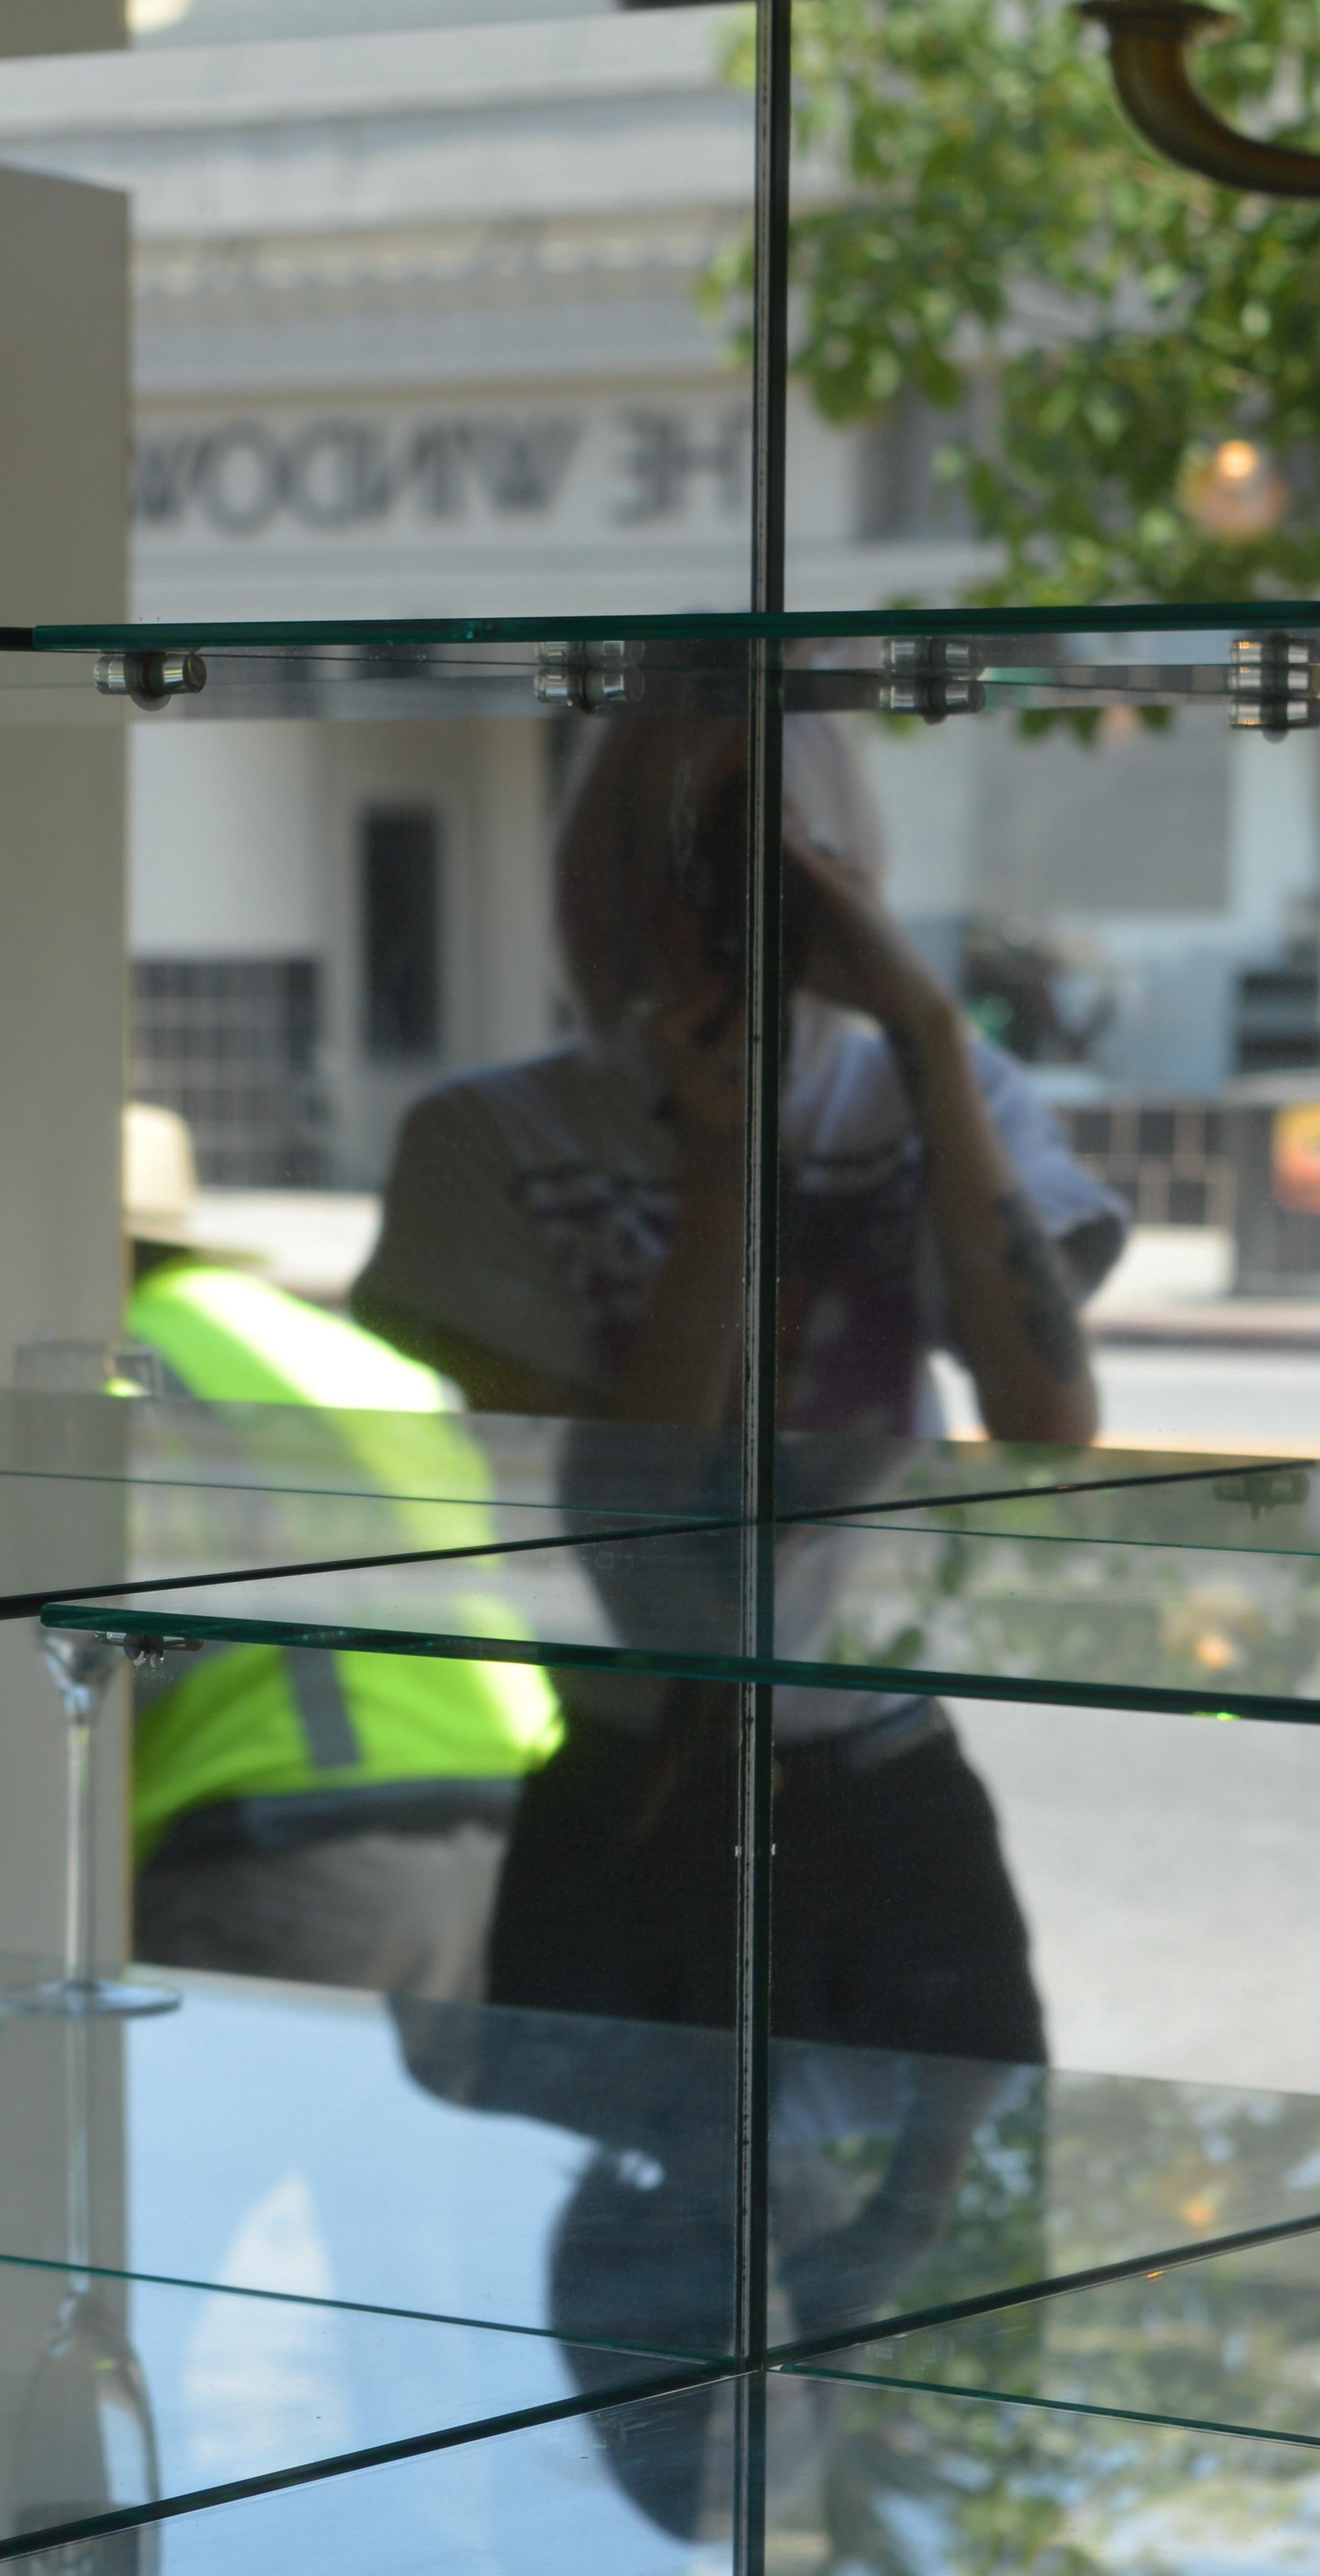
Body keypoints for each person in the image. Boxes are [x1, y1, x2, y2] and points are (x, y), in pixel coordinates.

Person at [350, 710, 1127, 2069]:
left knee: (963, 2262)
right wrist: (723, 1188)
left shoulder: (937, 1098)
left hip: (881, 1766)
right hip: (624, 1778)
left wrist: (926, 1030)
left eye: (782, 853)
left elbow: (1043, 1425)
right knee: (626, 2261)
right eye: (695, 851)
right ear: (610, 873)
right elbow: (628, 1519)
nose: (738, 900)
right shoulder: (486, 1138)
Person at [119, 1104, 559, 2000]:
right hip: (490, 1821)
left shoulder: (119, 1365)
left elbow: (117, 1647)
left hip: (288, 1844)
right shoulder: (334, 1351)